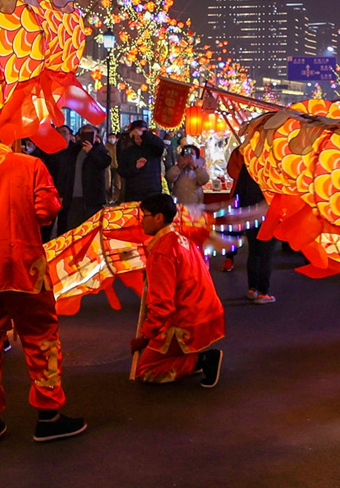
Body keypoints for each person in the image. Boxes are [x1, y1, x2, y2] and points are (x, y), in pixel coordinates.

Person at [0, 136, 84, 444]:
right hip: (24, 266)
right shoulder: (30, 165)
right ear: (7, 139)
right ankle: (48, 415)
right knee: (41, 337)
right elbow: (46, 211)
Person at [129, 194, 224, 387]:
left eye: (144, 216)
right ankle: (189, 358)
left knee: (145, 371)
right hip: (204, 310)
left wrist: (145, 336)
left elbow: (162, 305)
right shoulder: (179, 238)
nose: (141, 222)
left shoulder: (162, 251)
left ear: (158, 218)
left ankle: (202, 360)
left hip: (186, 320)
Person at [229, 150, 276, 303]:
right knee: (266, 253)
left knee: (254, 251)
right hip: (269, 213)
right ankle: (263, 292)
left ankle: (252, 288)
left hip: (250, 213)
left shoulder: (249, 163)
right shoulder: (274, 165)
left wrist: (239, 212)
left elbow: (239, 190)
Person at [55, 125, 112, 234]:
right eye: (85, 134)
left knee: (92, 230)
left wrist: (91, 151)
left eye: (91, 134)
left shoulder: (100, 150)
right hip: (73, 198)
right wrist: (61, 194)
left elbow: (104, 162)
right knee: (74, 230)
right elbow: (64, 173)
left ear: (96, 136)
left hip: (92, 198)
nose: (87, 137)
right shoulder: (73, 151)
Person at [116, 120, 165, 202]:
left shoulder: (153, 146)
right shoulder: (126, 148)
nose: (139, 135)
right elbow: (122, 170)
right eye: (136, 132)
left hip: (152, 191)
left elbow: (160, 145)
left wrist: (144, 134)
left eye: (142, 131)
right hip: (133, 193)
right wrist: (135, 167)